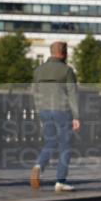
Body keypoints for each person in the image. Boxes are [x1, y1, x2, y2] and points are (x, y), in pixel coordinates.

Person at [30, 41, 80, 192]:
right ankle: (60, 181)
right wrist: (76, 116)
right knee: (65, 146)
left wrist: (38, 110)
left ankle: (38, 165)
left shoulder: (39, 70)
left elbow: (34, 92)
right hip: (62, 111)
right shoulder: (67, 70)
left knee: (50, 142)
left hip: (44, 111)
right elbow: (72, 94)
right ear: (64, 53)